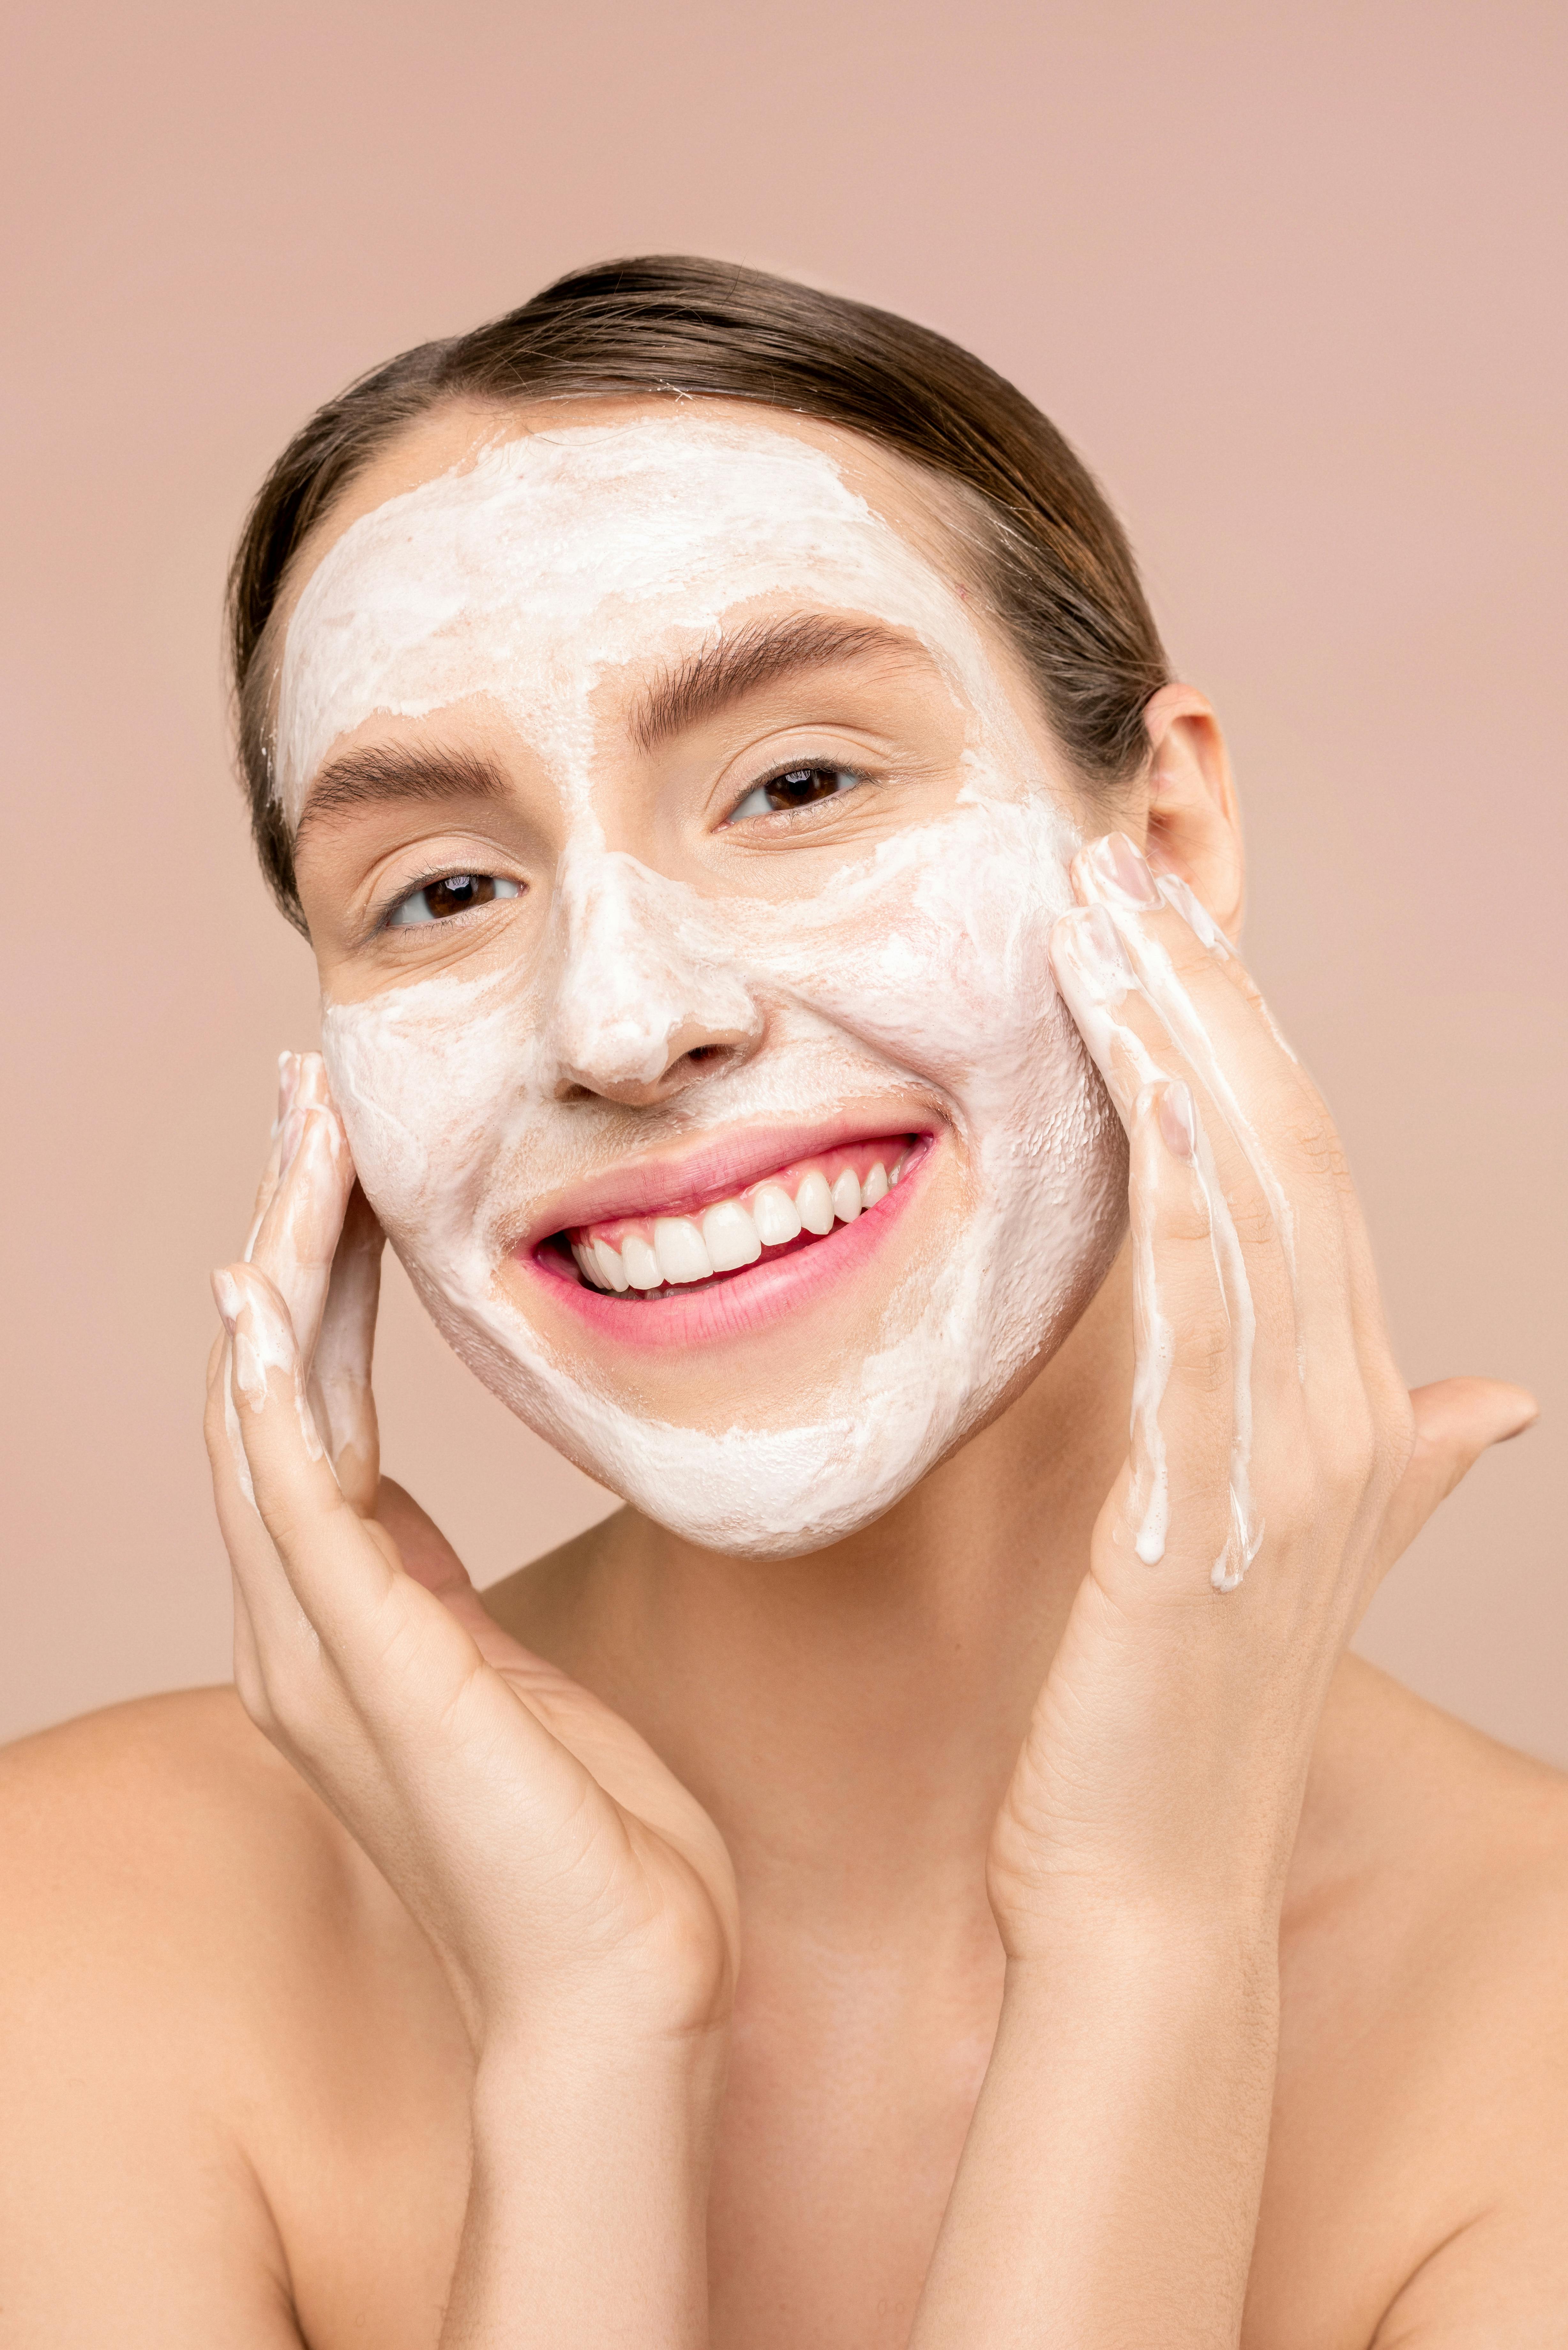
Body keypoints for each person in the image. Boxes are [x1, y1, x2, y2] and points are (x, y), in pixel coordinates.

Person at [1, 256, 1561, 2347]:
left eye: (800, 784)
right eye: (444, 890)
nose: (627, 1021)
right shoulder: (71, 1941)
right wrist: (588, 2044)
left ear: (1169, 834)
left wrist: (1147, 1943)